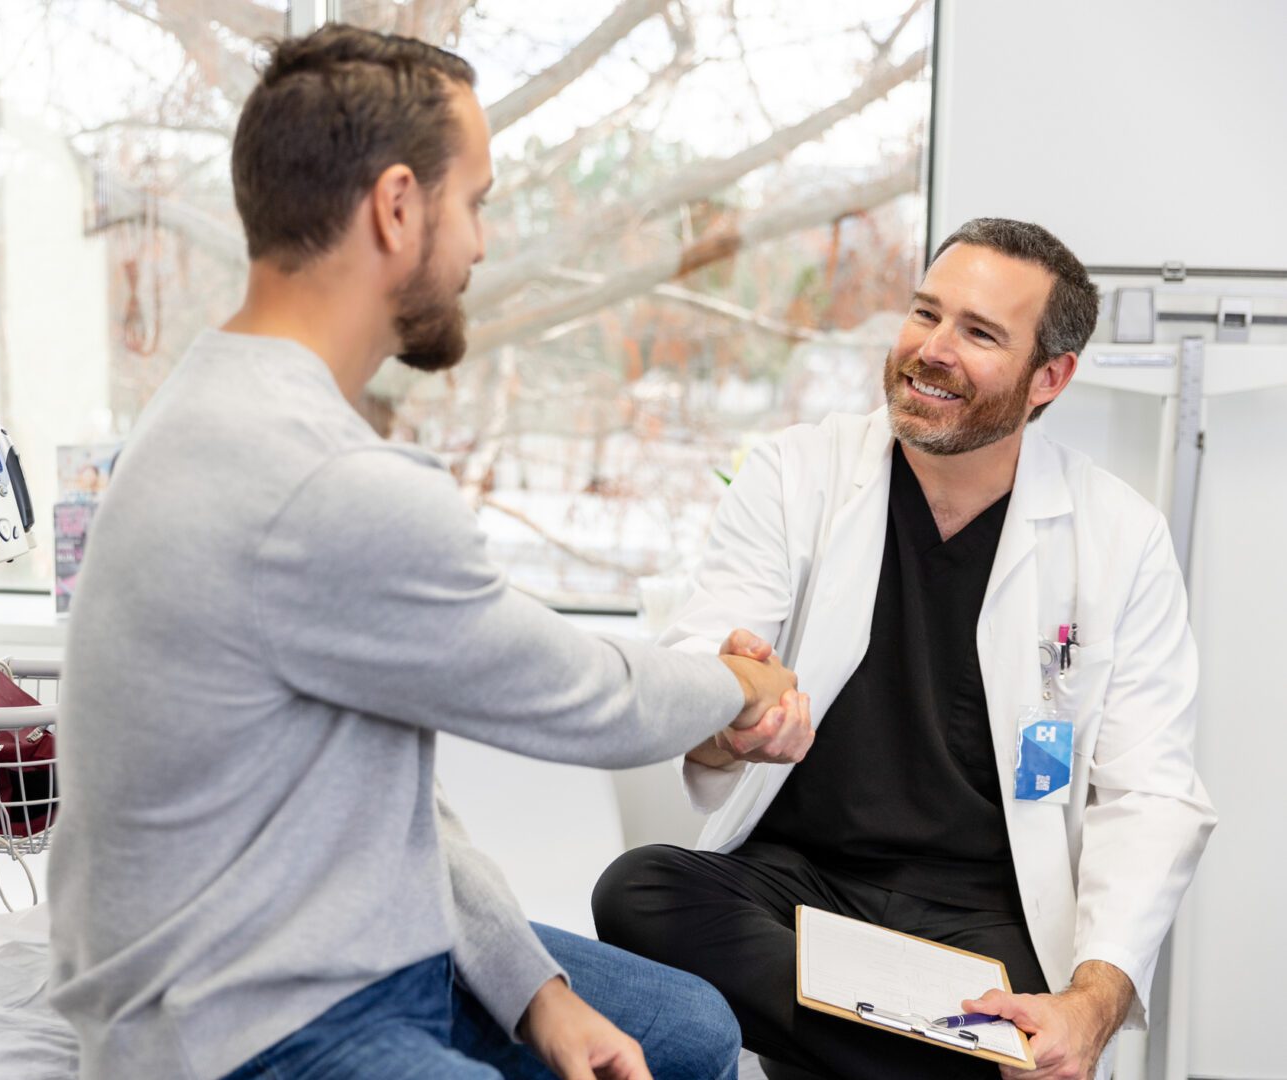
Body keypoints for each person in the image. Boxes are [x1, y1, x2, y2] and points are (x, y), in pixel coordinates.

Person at [46, 25, 811, 1080]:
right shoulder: (323, 480)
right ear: (398, 206)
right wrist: (740, 684)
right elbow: (584, 696)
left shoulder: (215, 399)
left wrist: (537, 996)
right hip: (245, 1020)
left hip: (354, 946)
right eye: (478, 201)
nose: (483, 245)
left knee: (690, 1033)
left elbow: (386, 799)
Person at [592, 218, 1217, 1080]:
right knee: (640, 892)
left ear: (1051, 378)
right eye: (926, 313)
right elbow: (708, 656)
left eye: (980, 333)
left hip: (986, 911)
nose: (933, 349)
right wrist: (726, 720)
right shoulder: (797, 475)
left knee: (1035, 1005)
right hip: (803, 887)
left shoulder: (1120, 538)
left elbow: (1152, 795)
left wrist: (1092, 1003)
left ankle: (936, 1048)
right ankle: (960, 1064)